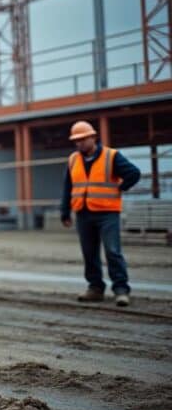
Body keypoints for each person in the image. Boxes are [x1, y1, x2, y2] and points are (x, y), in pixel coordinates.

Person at [60, 120, 140, 307]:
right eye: (76, 140)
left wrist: (120, 188)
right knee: (89, 253)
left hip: (107, 213)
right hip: (83, 213)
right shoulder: (73, 159)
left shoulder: (111, 156)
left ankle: (121, 290)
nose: (79, 143)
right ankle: (95, 288)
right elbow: (67, 187)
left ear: (93, 138)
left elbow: (133, 173)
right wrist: (65, 211)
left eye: (82, 139)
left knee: (113, 251)